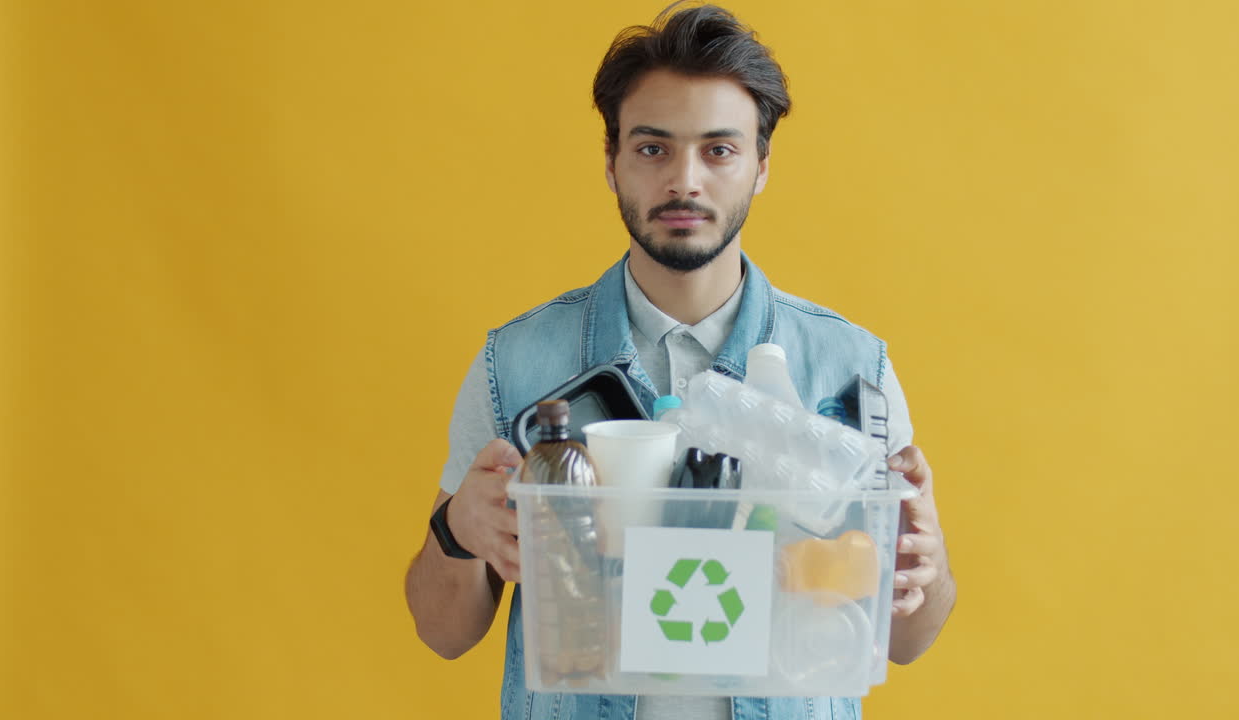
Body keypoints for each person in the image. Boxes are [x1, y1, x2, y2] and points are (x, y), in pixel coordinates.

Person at [405, 4, 955, 718]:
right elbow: (443, 633)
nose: (684, 181)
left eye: (719, 150)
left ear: (761, 166)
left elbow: (907, 638)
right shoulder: (516, 364)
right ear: (612, 162)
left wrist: (925, 563)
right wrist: (456, 533)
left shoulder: (850, 367)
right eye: (652, 149)